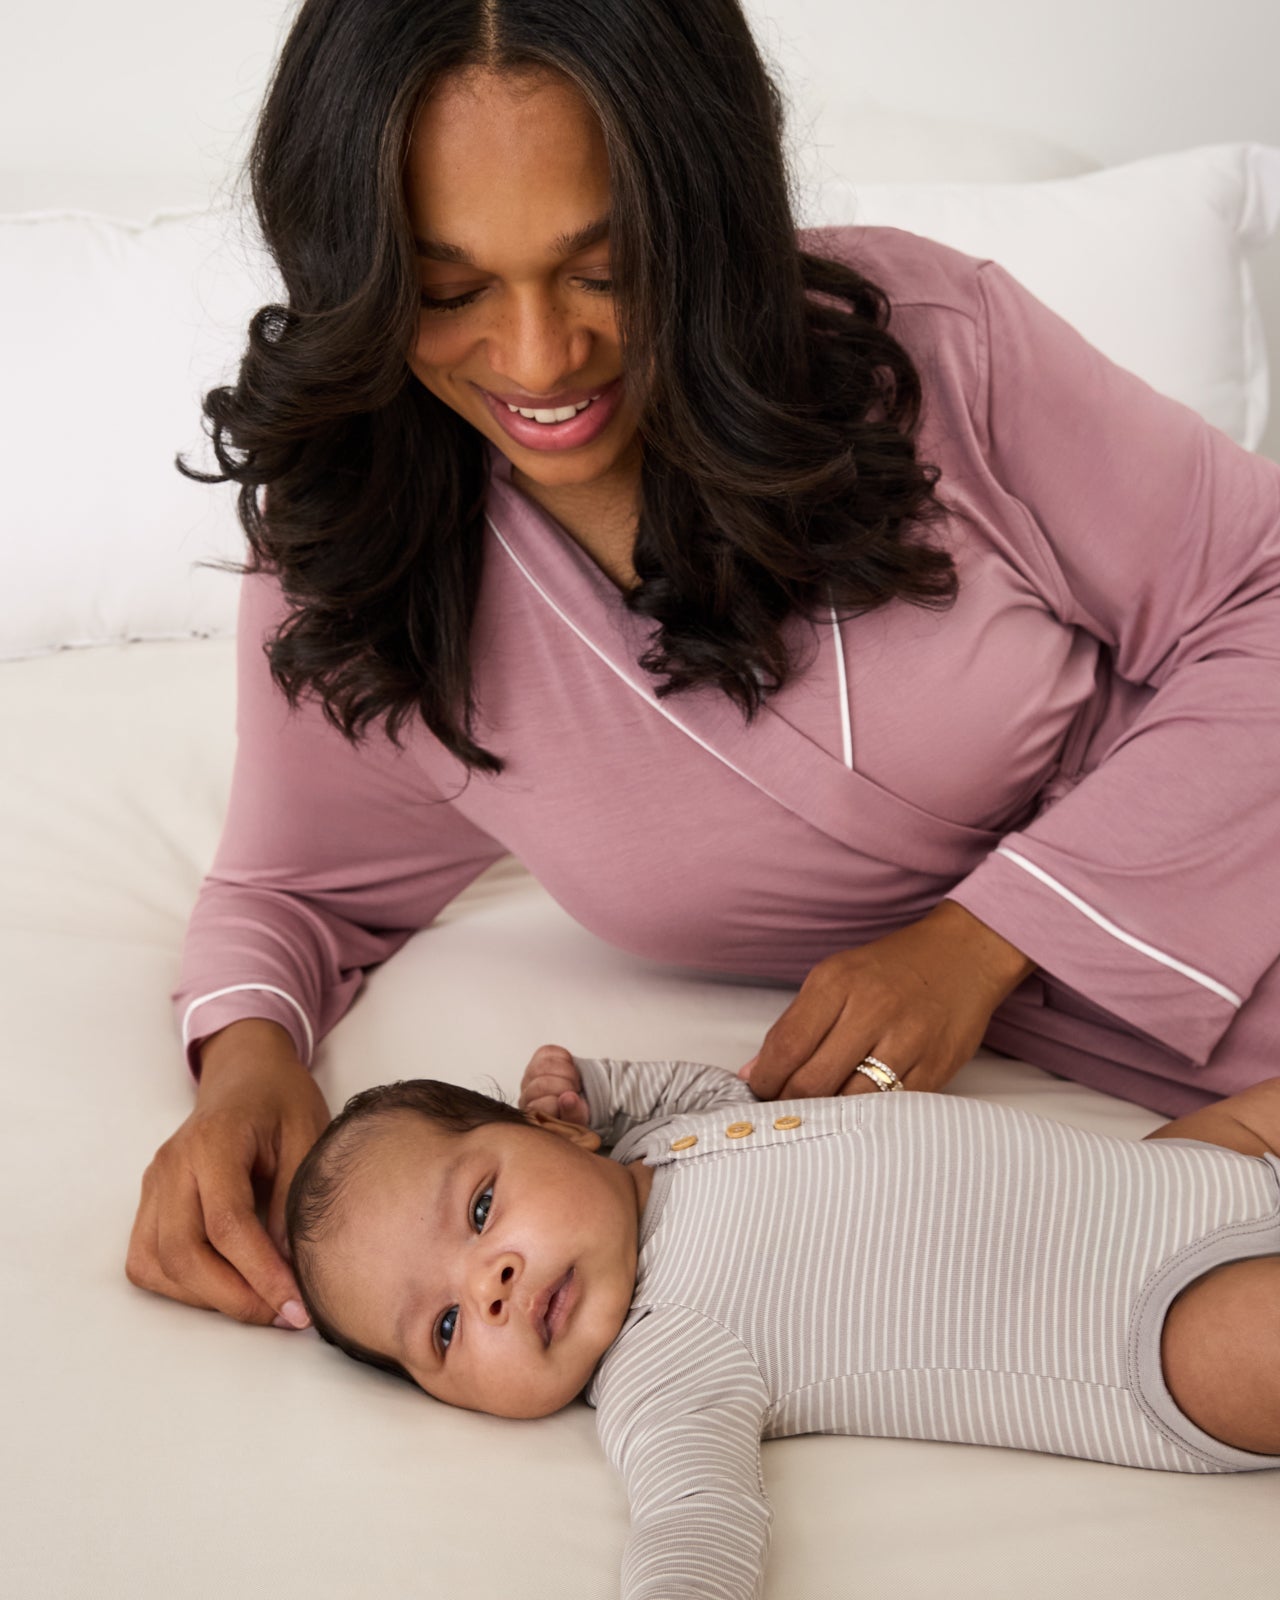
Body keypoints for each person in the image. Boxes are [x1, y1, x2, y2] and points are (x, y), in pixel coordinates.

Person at [127, 0, 1280, 1337]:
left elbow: (1262, 592)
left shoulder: (931, 354)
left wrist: (982, 942)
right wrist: (247, 1066)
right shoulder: (367, 565)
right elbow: (293, 885)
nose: (540, 357)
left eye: (606, 268)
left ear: (704, 213)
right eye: (448, 292)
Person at [283, 1044, 1280, 1599]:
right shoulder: (664, 1360)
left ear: (553, 1132)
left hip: (1189, 1168)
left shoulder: (672, 1135)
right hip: (1157, 1333)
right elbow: (694, 1514)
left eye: (479, 1209)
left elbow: (712, 1090)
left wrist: (596, 1084)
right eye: (445, 1331)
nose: (489, 1286)